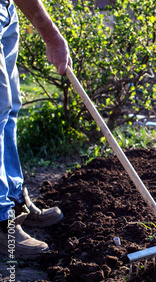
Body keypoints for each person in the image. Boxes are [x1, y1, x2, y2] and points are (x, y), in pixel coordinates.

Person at [0, 0, 71, 259]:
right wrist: (52, 36)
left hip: (7, 10)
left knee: (10, 107)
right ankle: (1, 220)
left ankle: (15, 200)